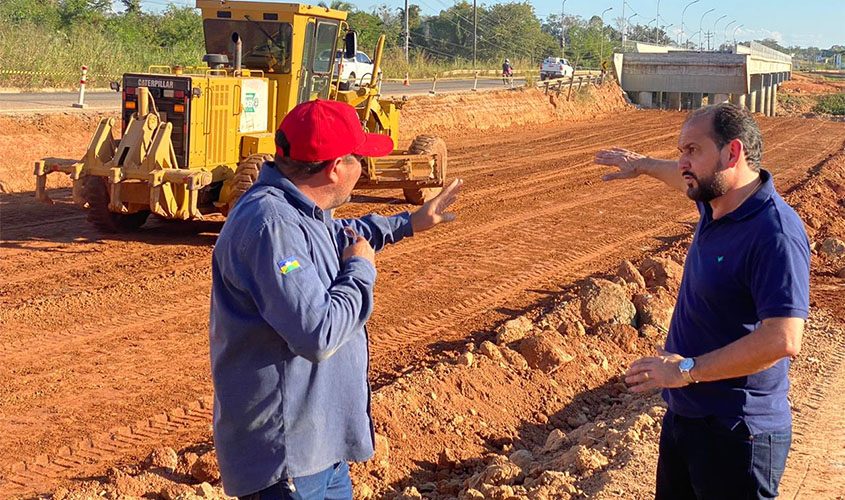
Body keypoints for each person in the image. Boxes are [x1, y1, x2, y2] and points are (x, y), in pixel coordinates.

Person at [209, 99, 463, 500]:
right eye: (359, 159)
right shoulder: (271, 226)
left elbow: (342, 235)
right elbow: (318, 333)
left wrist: (408, 223)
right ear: (335, 168)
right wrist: (361, 271)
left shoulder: (300, 211)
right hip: (287, 461)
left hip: (320, 452)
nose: (363, 170)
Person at [595, 102, 809, 500]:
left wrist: (687, 370)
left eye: (692, 150)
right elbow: (682, 181)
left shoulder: (774, 233)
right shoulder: (717, 203)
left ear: (733, 152)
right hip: (687, 419)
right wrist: (641, 164)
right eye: (680, 151)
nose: (682, 162)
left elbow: (783, 339)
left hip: (738, 435)